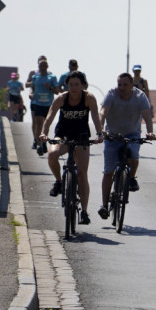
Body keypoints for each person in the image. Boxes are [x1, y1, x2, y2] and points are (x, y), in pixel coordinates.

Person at [40, 71, 103, 226]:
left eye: (77, 84)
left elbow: (95, 117)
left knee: (82, 174)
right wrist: (43, 133)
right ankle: (59, 182)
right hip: (63, 136)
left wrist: (100, 133)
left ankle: (84, 212)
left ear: (83, 85)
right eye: (71, 84)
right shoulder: (61, 98)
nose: (74, 87)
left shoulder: (89, 98)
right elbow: (49, 117)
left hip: (81, 137)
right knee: (53, 154)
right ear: (66, 86)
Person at [99, 72, 156, 221]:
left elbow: (147, 115)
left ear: (132, 85)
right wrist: (100, 130)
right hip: (112, 135)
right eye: (119, 85)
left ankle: (131, 178)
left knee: (134, 154)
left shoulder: (140, 96)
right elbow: (103, 111)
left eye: (125, 85)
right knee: (108, 172)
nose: (121, 88)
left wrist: (150, 132)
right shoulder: (111, 94)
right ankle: (104, 205)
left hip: (132, 134)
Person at [28, 58, 59, 155]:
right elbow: (32, 88)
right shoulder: (35, 77)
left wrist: (49, 87)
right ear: (38, 67)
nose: (43, 68)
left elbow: (57, 91)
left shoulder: (52, 77)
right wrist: (31, 94)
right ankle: (39, 145)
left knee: (46, 124)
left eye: (45, 66)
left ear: (47, 66)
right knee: (39, 123)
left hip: (48, 104)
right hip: (38, 103)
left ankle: (43, 140)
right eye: (41, 66)